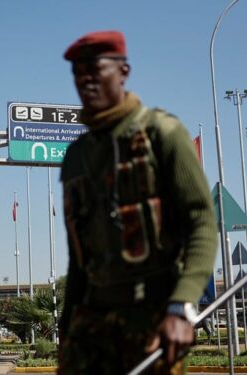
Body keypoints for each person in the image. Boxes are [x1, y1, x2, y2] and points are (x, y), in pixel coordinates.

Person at [57, 30, 217, 375]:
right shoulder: (76, 156)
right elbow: (79, 260)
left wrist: (182, 306)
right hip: (92, 322)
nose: (85, 79)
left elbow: (202, 223)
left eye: (95, 69)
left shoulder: (163, 133)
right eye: (78, 72)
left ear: (123, 71)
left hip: (152, 314)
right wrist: (66, 329)